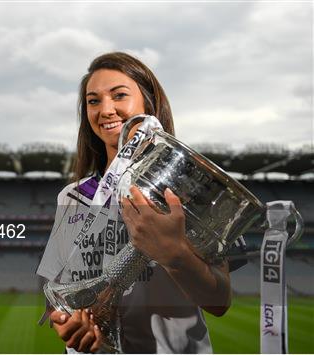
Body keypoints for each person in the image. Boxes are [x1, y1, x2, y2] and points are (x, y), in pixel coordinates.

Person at [37, 52, 231, 353]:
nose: (106, 110)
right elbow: (56, 294)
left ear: (148, 104)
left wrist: (176, 254)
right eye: (93, 101)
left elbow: (219, 301)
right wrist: (67, 320)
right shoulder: (71, 197)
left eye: (119, 95)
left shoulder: (190, 188)